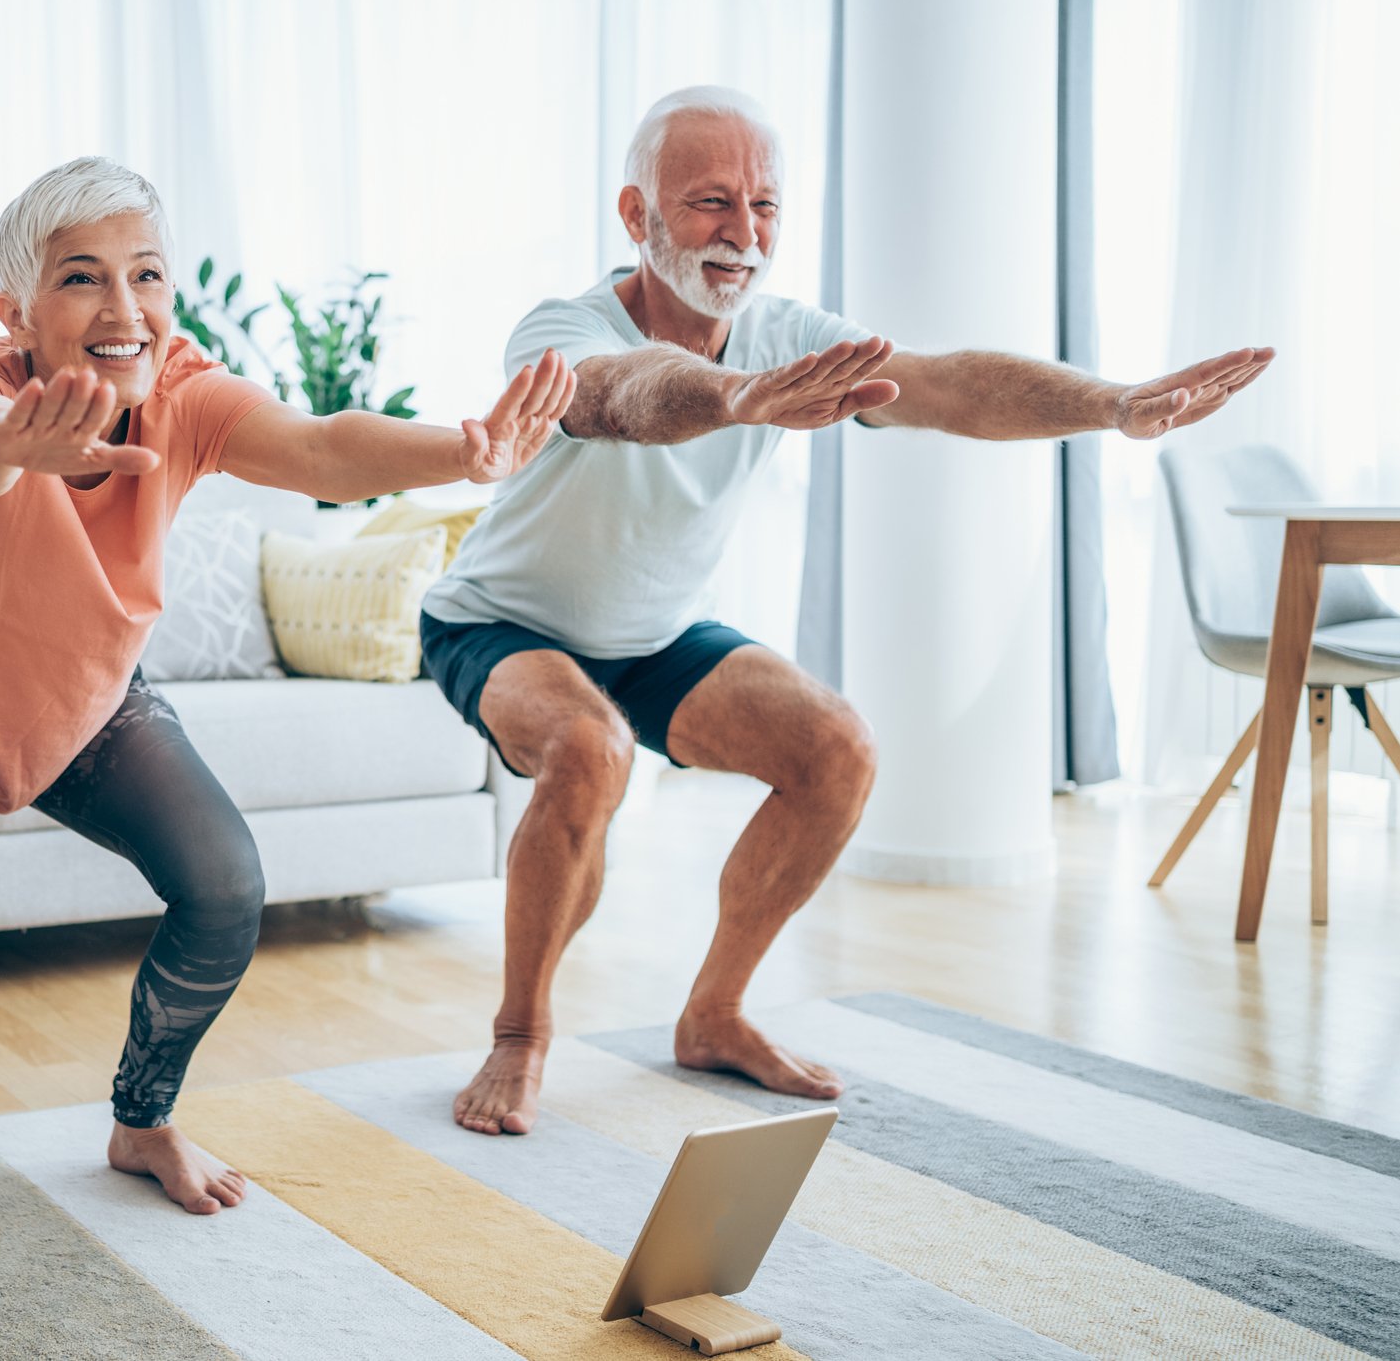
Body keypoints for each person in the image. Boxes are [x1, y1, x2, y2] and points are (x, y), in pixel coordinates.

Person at [420, 85, 1273, 1136]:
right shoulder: (563, 328)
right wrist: (732, 397)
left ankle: (716, 1013)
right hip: (501, 622)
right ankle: (520, 1037)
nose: (744, 234)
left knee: (838, 750)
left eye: (765, 205)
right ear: (636, 216)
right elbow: (618, 396)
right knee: (591, 749)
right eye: (709, 203)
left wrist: (1115, 405)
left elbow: (947, 384)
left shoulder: (786, 333)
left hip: (655, 632)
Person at [0, 155, 574, 1253]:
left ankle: (143, 1122)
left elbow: (319, 446)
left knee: (226, 887)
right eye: (83, 279)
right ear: (16, 311)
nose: (125, 309)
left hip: (81, 706)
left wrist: (465, 451)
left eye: (147, 275)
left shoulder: (180, 392)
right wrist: (11, 445)